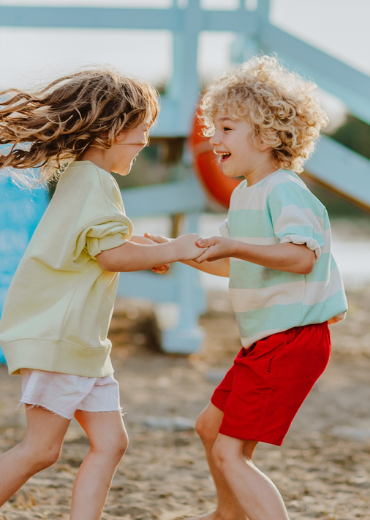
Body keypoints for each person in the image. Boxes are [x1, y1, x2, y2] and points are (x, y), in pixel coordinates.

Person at [0, 69, 206, 520]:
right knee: (41, 449)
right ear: (113, 130)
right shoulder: (97, 183)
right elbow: (110, 256)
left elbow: (97, 248)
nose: (145, 142)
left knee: (111, 442)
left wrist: (147, 248)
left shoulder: (84, 179)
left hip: (82, 344)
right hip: (60, 337)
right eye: (142, 131)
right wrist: (174, 248)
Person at [147, 56, 347, 520]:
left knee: (228, 453)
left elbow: (301, 257)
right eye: (213, 127)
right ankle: (229, 515)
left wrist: (234, 245)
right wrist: (176, 252)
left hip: (292, 338)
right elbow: (237, 265)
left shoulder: (284, 190)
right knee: (210, 429)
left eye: (227, 128)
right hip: (267, 340)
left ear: (268, 134)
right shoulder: (245, 195)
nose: (213, 139)